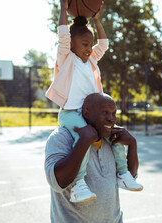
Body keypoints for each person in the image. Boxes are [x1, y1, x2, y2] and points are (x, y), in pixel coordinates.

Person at [45, 0, 142, 203]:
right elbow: (63, 35)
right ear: (72, 43)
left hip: (92, 114)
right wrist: (63, 8)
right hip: (72, 113)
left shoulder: (91, 61)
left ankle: (123, 174)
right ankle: (78, 185)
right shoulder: (66, 58)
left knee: (114, 135)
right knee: (85, 138)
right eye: (85, 44)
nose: (89, 49)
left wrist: (97, 20)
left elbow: (104, 45)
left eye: (90, 45)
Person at [45, 93, 139, 223]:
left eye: (114, 113)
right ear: (86, 113)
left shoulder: (111, 140)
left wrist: (132, 144)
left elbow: (129, 176)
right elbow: (57, 182)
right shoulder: (61, 137)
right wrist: (84, 141)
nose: (111, 118)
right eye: (105, 112)